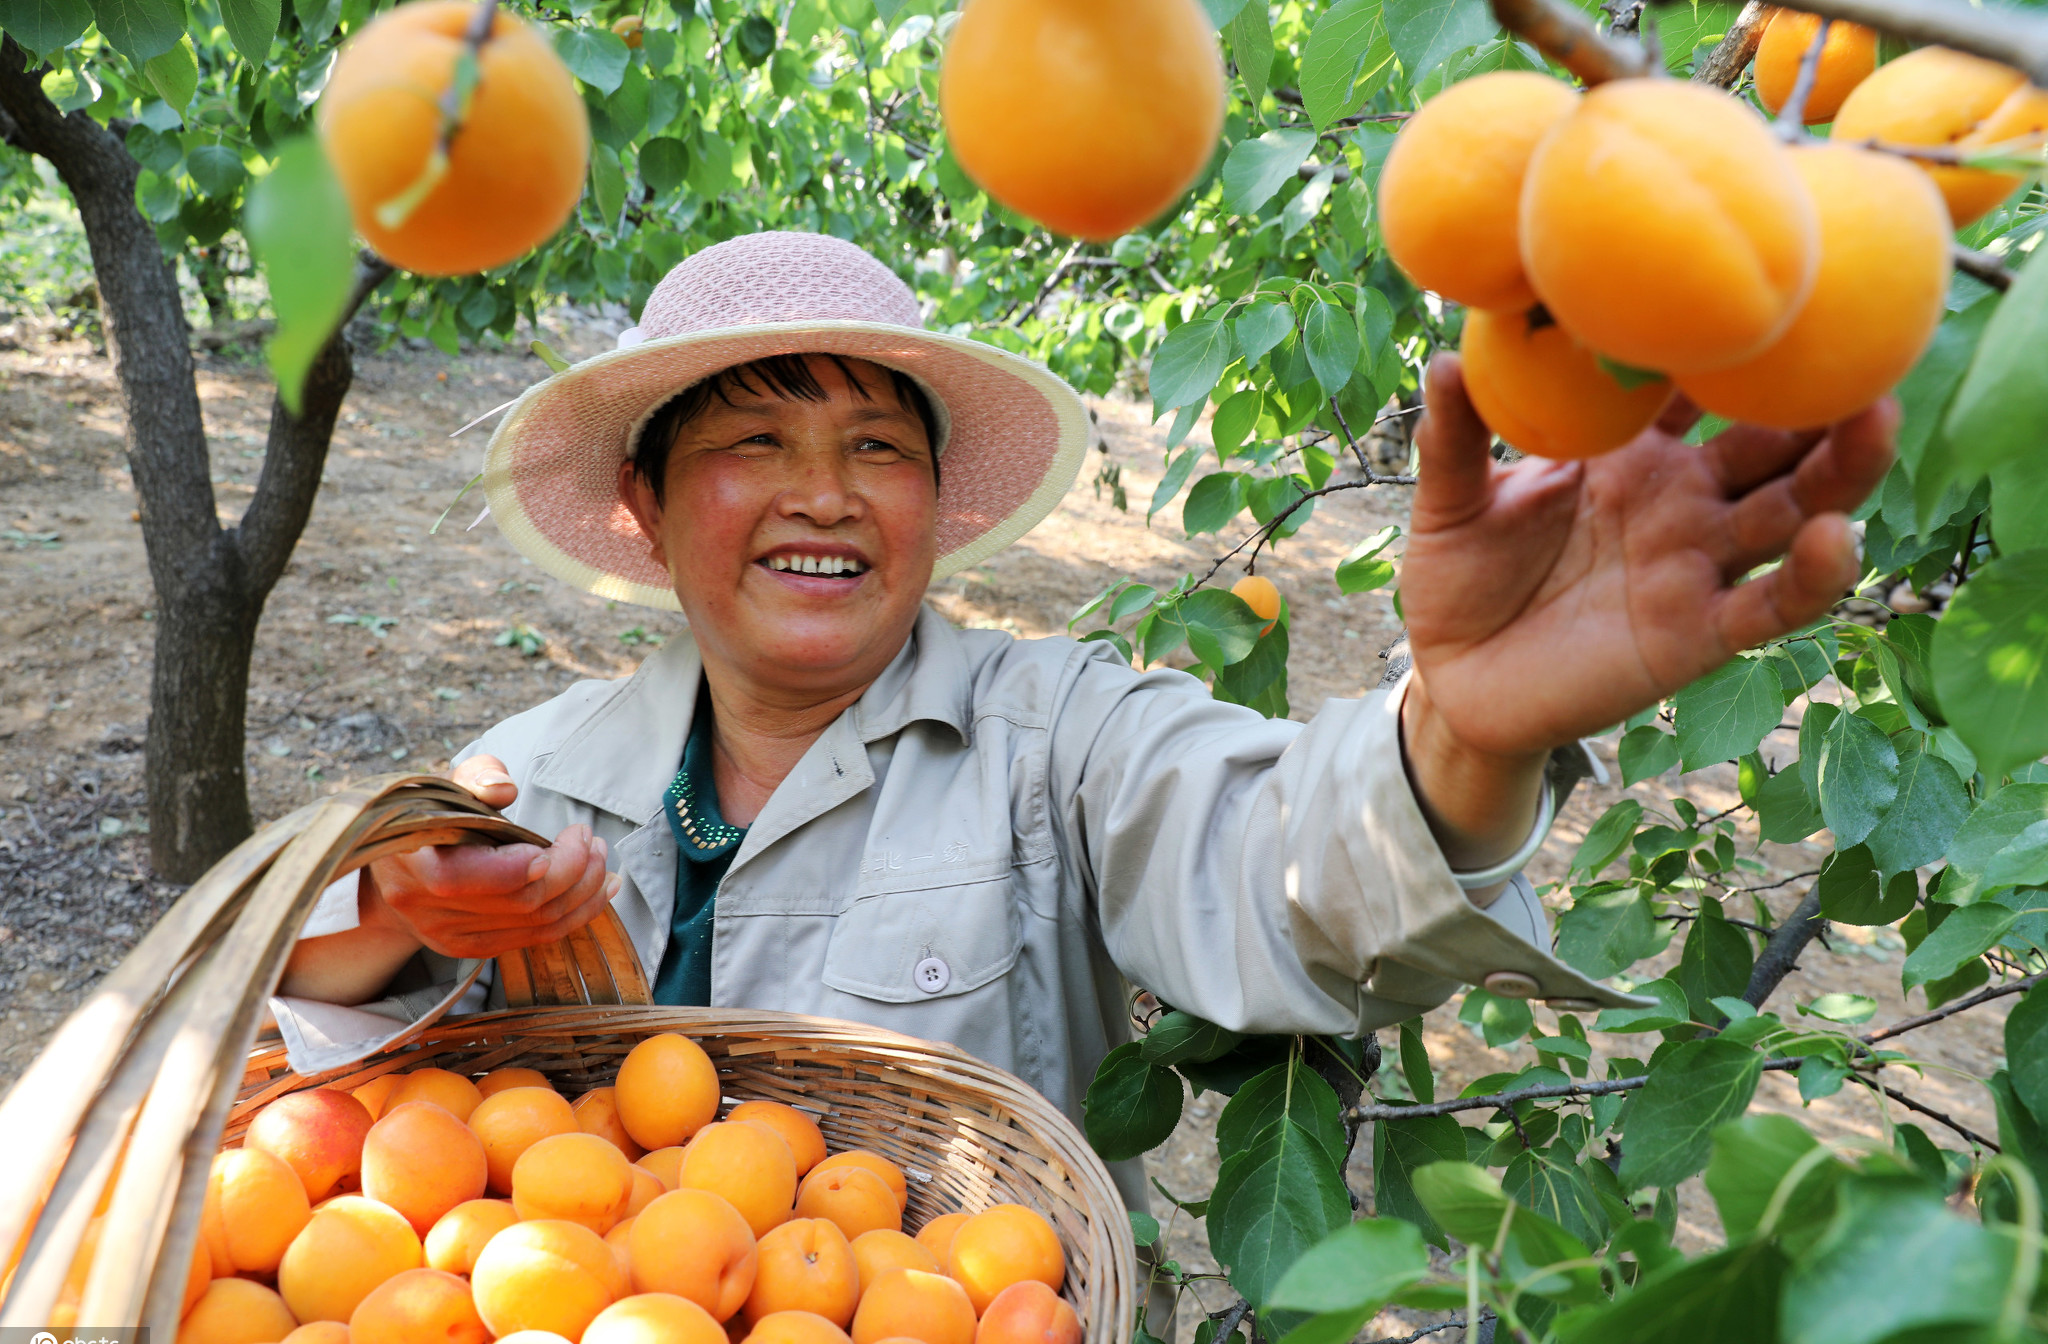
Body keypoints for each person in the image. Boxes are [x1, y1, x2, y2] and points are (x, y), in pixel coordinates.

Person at [273, 232, 1892, 1209]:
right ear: (644, 498)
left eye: (877, 448)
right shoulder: (535, 775)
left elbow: (1276, 866)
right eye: (752, 443)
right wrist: (386, 915)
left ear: (934, 501)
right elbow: (351, 1117)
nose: (822, 495)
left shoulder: (1053, 740)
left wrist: (1462, 733)